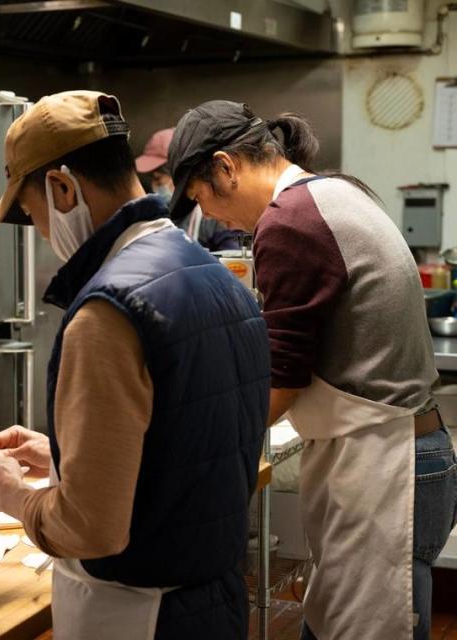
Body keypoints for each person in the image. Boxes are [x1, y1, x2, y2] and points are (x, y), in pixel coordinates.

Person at [0, 90, 270, 639]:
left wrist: (6, 490)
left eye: (31, 213)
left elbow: (90, 528)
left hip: (138, 617)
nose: (39, 233)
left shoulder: (108, 310)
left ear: (62, 188)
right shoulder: (215, 275)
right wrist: (69, 456)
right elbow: (187, 442)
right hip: (217, 602)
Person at [167, 100, 457, 640]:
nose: (212, 218)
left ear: (226, 167)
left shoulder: (289, 222)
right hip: (400, 455)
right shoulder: (334, 191)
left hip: (389, 467)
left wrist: (194, 447)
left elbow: (284, 373)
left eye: (201, 199)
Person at [136, 126, 239, 252]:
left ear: (178, 175)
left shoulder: (215, 215)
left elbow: (234, 261)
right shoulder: (156, 214)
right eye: (152, 179)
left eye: (158, 179)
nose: (154, 186)